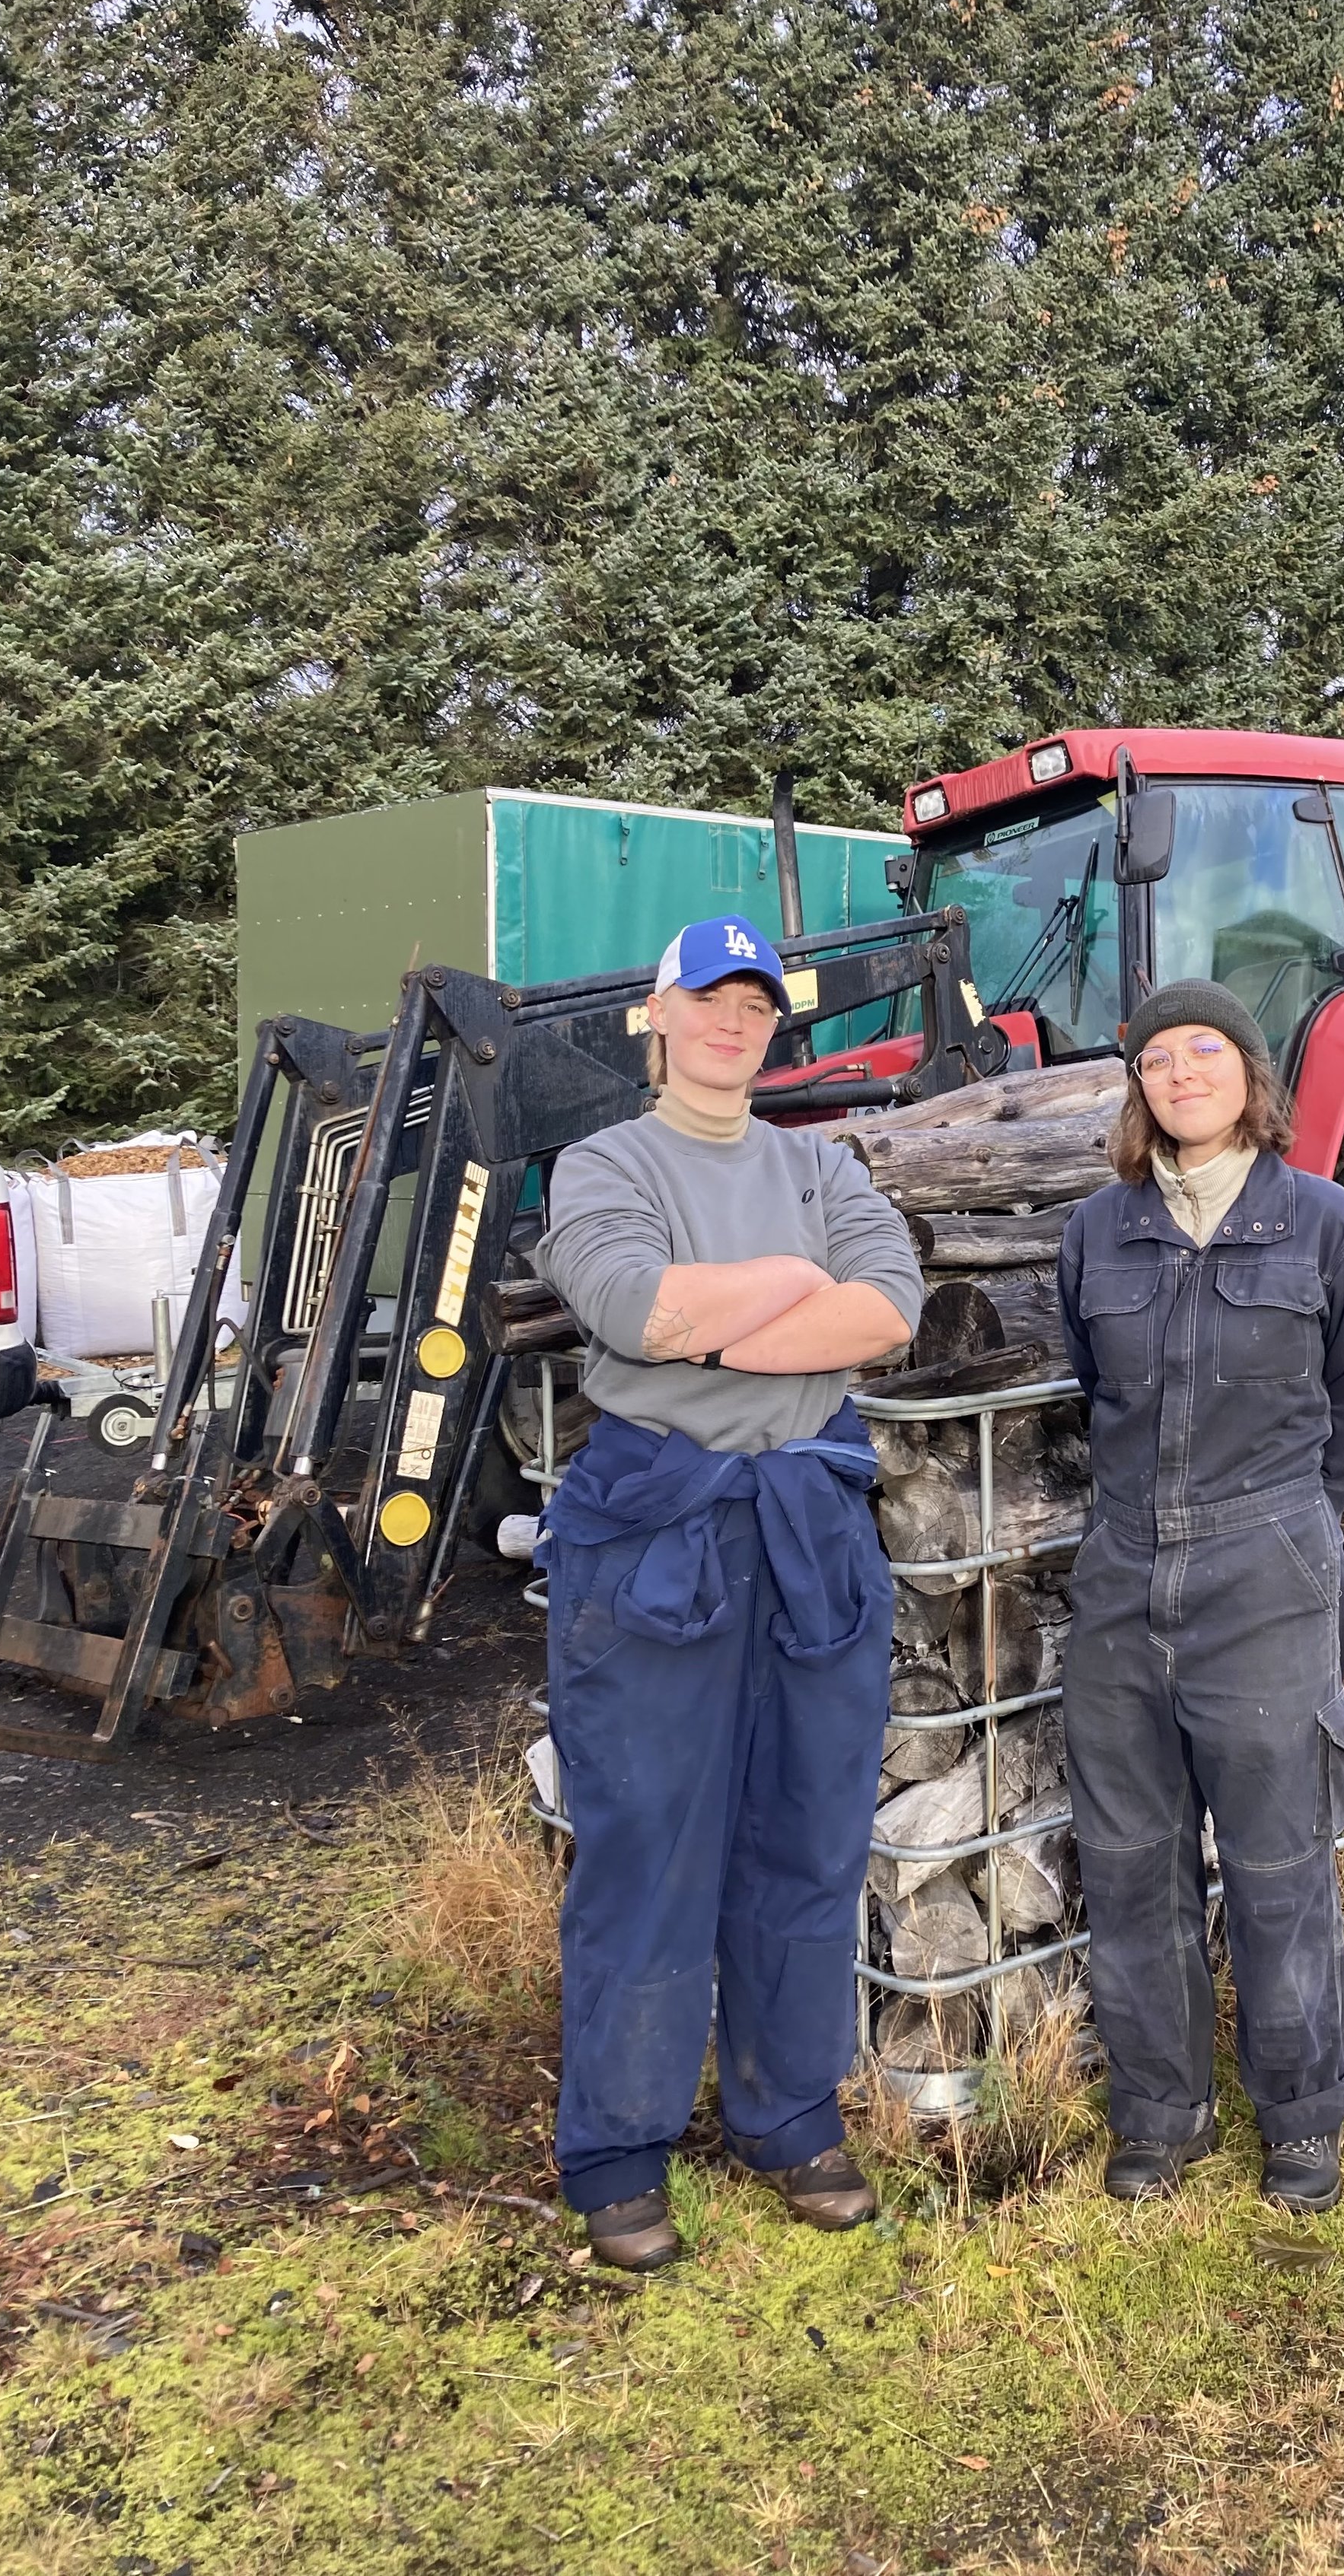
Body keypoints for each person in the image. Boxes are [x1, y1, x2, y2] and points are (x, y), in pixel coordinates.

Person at [533, 916, 924, 2272]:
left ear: (774, 1026)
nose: (732, 1021)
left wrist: (735, 1318)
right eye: (709, 997)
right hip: (657, 1533)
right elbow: (637, 1309)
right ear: (660, 1011)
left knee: (808, 1828)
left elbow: (888, 1312)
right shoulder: (603, 1164)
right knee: (648, 1839)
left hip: (808, 1526)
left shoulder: (821, 1161)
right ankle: (620, 2147)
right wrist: (789, 1284)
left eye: (754, 1003)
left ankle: (789, 2112)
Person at [1056, 981, 1344, 2217]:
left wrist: (1294, 1532)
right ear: (1138, 1087)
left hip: (1266, 1572)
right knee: (1132, 1860)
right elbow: (1096, 1384)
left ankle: (1304, 2115)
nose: (1181, 1071)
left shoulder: (1330, 1226)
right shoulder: (1100, 1232)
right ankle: (1162, 2113)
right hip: (1122, 1578)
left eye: (1206, 1049)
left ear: (1252, 1077)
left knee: (1276, 1862)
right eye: (1157, 1056)